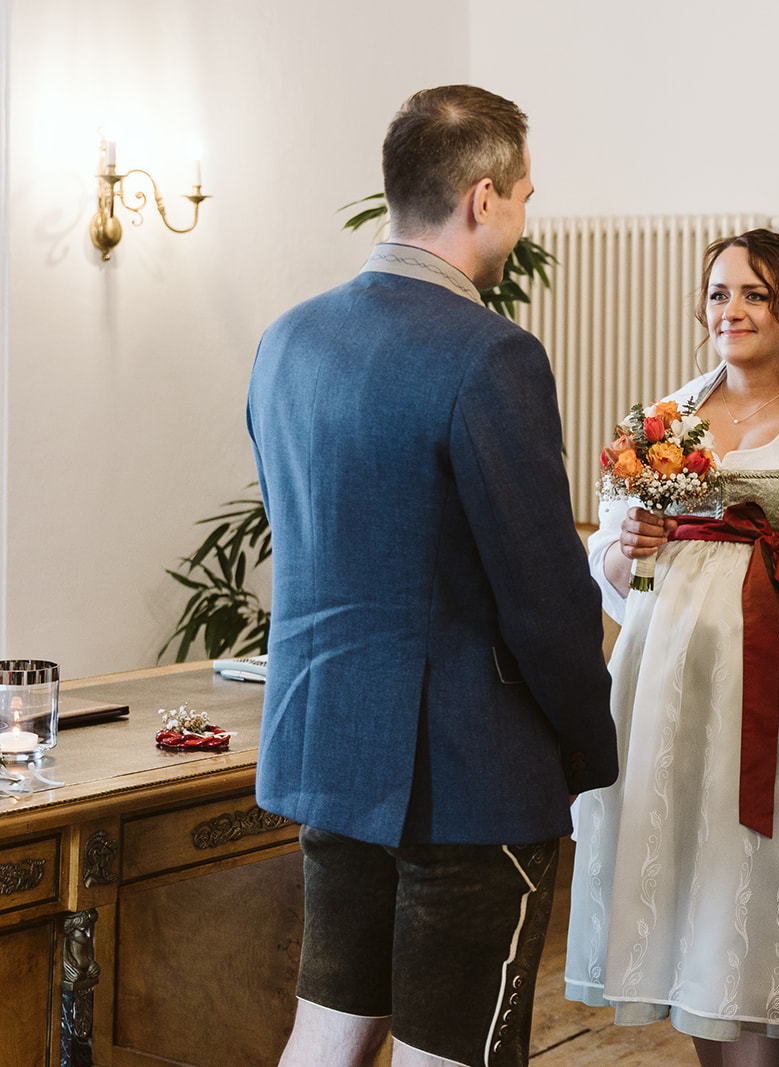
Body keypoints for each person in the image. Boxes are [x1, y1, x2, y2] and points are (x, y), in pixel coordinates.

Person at [248, 85, 617, 1067]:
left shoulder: (287, 341)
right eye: (526, 195)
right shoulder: (491, 353)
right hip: (467, 775)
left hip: (328, 753)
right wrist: (591, 747)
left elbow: (312, 535)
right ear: (484, 197)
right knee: (448, 1052)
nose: (522, 216)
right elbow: (543, 598)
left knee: (326, 1033)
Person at [565, 228, 779, 1067]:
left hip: (770, 674)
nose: (731, 310)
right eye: (718, 294)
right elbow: (610, 561)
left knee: (758, 868)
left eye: (754, 294)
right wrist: (625, 538)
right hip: (670, 677)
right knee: (693, 873)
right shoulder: (664, 417)